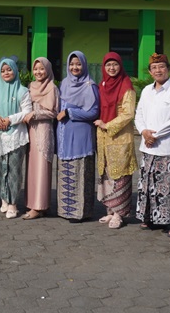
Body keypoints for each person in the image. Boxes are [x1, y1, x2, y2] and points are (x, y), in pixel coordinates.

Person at [135, 53, 170, 238]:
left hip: (169, 147)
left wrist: (155, 135)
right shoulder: (146, 91)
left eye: (161, 66)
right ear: (150, 72)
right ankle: (152, 217)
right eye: (154, 67)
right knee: (149, 185)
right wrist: (144, 131)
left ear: (168, 69)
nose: (158, 70)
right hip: (148, 147)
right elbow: (139, 114)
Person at [94, 52, 137, 229]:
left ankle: (120, 214)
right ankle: (110, 211)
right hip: (103, 137)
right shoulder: (102, 85)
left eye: (115, 64)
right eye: (108, 65)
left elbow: (128, 113)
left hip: (120, 136)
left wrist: (107, 125)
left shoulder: (126, 85)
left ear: (121, 66)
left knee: (120, 175)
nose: (111, 68)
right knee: (107, 174)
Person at [57, 51, 99, 223]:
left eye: (78, 64)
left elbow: (93, 112)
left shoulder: (90, 86)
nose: (75, 67)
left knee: (81, 174)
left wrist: (70, 112)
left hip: (81, 138)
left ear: (84, 65)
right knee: (66, 172)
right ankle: (65, 210)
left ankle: (80, 212)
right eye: (72, 64)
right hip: (64, 136)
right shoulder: (64, 83)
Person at [0, 57, 30, 219]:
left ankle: (13, 203)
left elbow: (27, 112)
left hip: (15, 135)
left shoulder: (23, 91)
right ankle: (4, 199)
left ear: (15, 70)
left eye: (9, 69)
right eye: (3, 70)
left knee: (14, 170)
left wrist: (9, 119)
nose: (6, 73)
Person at [22, 57, 58, 220]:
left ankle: (39, 206)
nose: (38, 72)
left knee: (42, 167)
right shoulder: (30, 87)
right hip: (31, 131)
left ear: (48, 70)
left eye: (42, 69)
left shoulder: (52, 88)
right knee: (31, 167)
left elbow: (54, 112)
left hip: (44, 131)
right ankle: (32, 203)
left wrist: (35, 114)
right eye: (35, 69)